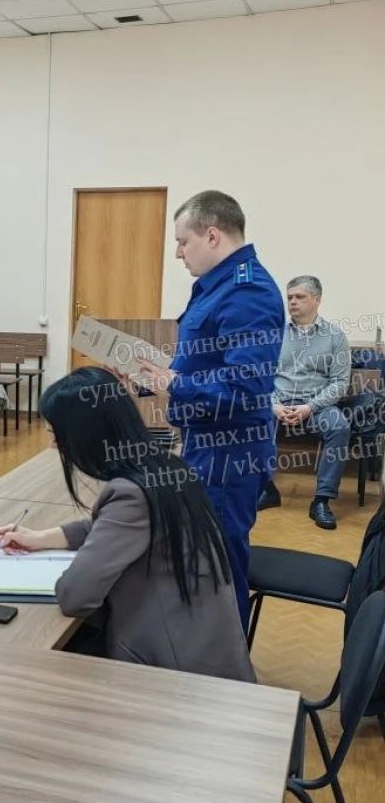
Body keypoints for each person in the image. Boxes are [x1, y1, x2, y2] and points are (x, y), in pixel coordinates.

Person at [0, 368, 254, 682]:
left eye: (57, 435)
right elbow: (107, 528)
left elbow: (75, 596)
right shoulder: (165, 466)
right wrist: (40, 537)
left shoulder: (132, 494)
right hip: (201, 649)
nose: (56, 446)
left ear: (85, 434)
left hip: (171, 673)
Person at [135, 191, 284, 632]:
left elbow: (246, 386)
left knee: (218, 565)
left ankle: (226, 662)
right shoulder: (221, 286)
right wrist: (149, 379)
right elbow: (206, 362)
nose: (178, 253)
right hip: (208, 443)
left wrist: (175, 383)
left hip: (229, 452)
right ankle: (207, 650)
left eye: (183, 241)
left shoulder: (247, 292)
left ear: (213, 235)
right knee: (204, 557)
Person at [258, 276, 352, 529]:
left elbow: (339, 383)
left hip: (317, 406)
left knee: (339, 426)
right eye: (290, 297)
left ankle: (321, 500)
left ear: (317, 300)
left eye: (300, 297)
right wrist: (274, 405)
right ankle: (267, 489)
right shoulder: (275, 334)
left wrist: (310, 407)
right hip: (279, 402)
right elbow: (262, 377)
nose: (292, 302)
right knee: (253, 420)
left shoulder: (335, 336)